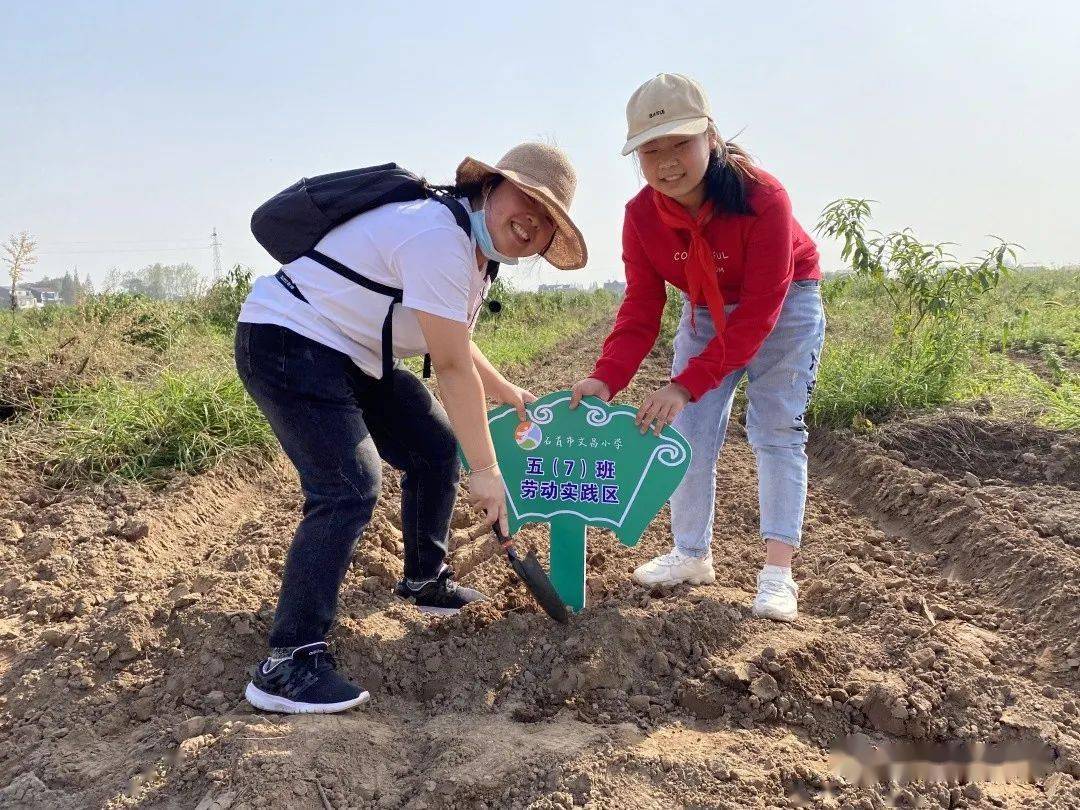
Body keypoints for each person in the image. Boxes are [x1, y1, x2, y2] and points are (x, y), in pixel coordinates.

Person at [235, 142, 587, 713]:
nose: (533, 222)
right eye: (529, 199)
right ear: (492, 186)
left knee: (433, 448)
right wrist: (489, 471)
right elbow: (448, 367)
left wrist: (502, 391)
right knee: (348, 484)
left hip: (353, 350)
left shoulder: (474, 251)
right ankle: (288, 661)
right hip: (290, 339)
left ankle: (426, 580)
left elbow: (456, 341)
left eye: (549, 220)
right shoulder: (438, 236)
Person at [571, 74, 824, 622]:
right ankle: (691, 555)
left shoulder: (763, 197)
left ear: (710, 136)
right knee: (688, 434)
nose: (666, 163)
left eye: (679, 144)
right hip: (706, 312)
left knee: (777, 431)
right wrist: (604, 378)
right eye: (650, 150)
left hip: (786, 306)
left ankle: (778, 574)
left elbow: (759, 311)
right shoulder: (641, 217)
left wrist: (686, 383)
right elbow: (641, 309)